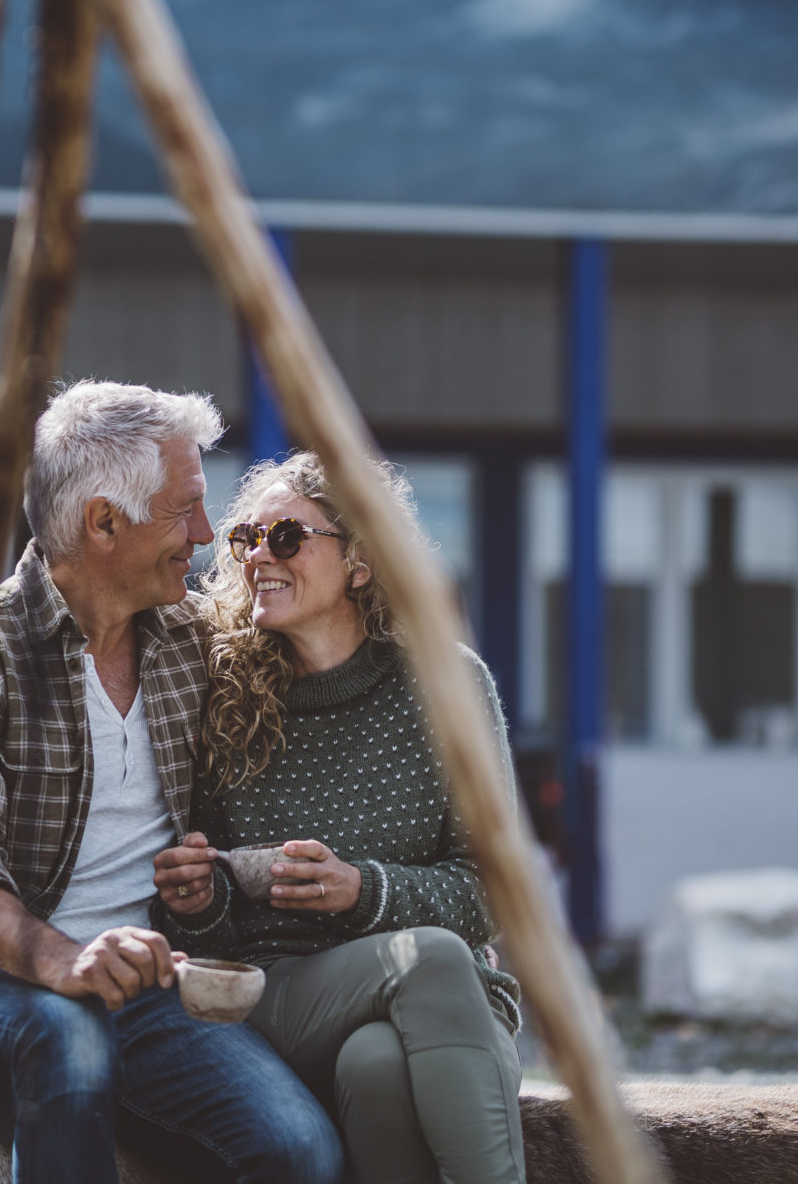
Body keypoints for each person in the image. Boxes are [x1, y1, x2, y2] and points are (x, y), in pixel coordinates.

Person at [0, 383, 343, 1184]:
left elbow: (323, 646)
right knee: (69, 1039)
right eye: (184, 511)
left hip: (152, 995)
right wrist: (66, 960)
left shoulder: (191, 639)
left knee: (299, 1147)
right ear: (103, 522)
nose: (206, 537)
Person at [153, 451, 527, 1184]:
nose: (260, 556)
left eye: (286, 537)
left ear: (360, 560)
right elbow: (210, 925)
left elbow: (495, 893)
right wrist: (199, 898)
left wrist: (364, 888)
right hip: (277, 992)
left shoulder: (449, 685)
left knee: (376, 1062)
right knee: (431, 954)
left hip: (446, 1013)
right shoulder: (221, 694)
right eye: (247, 540)